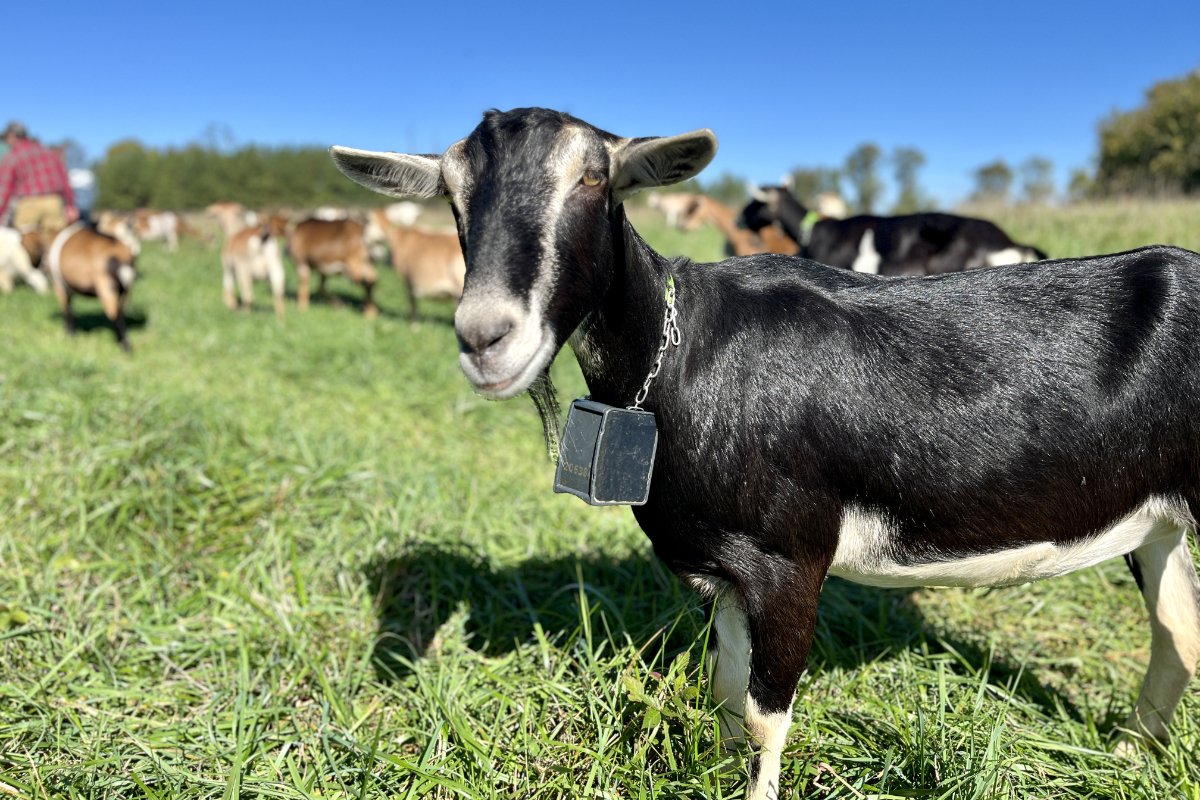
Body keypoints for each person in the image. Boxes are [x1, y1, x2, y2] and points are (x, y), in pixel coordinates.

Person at [0, 121, 79, 231]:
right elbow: (64, 180)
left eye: (7, 139)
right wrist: (70, 205)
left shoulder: (12, 157)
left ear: (12, 136)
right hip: (54, 203)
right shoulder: (48, 153)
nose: (7, 142)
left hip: (28, 204)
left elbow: (4, 189)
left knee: (26, 244)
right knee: (54, 243)